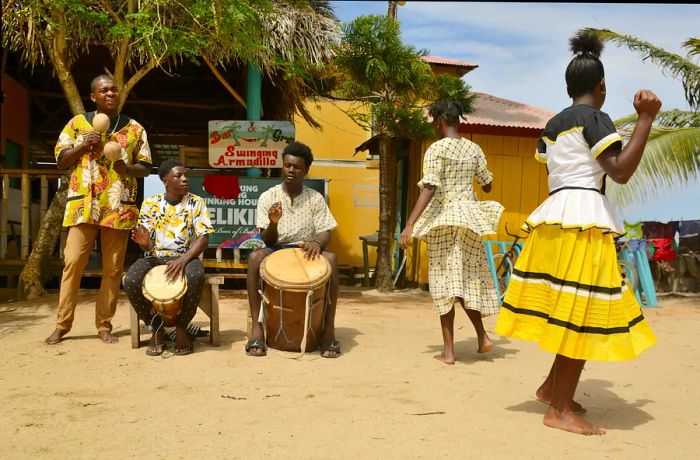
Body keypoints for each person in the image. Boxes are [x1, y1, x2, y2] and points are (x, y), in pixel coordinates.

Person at [494, 32, 661, 436]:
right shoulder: (595, 119)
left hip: (556, 219)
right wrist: (645, 119)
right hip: (583, 221)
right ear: (602, 87)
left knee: (572, 309)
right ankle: (560, 410)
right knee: (581, 315)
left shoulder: (553, 125)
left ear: (568, 88)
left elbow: (553, 164)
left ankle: (552, 388)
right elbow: (619, 171)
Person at [45, 75, 151, 345]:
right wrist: (83, 144)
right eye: (104, 90)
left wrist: (126, 168)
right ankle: (62, 324)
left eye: (114, 89)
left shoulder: (135, 128)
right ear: (93, 97)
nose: (111, 93)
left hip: (117, 206)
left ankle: (104, 325)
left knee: (113, 269)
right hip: (84, 206)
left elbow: (146, 167)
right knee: (72, 263)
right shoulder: (77, 124)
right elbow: (60, 160)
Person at [399, 99, 504, 365]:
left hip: (445, 221)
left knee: (444, 283)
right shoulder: (474, 149)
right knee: (466, 280)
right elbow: (488, 184)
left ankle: (449, 352)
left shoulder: (436, 149)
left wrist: (410, 223)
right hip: (470, 220)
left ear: (438, 120)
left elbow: (430, 187)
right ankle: (483, 337)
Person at [245, 141, 341, 358]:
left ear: (305, 170)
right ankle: (257, 329)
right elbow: (267, 241)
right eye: (287, 165)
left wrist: (317, 242)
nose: (291, 170)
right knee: (254, 258)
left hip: (306, 249)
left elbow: (326, 231)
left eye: (297, 167)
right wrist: (274, 222)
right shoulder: (268, 197)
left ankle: (329, 331)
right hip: (277, 249)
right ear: (282, 166)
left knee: (332, 259)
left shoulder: (315, 198)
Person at [123, 159, 214, 356]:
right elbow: (146, 245)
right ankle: (156, 327)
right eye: (178, 176)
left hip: (186, 257)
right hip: (155, 257)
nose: (184, 179)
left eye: (185, 176)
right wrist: (144, 242)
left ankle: (181, 328)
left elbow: (203, 238)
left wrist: (183, 261)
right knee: (129, 281)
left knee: (196, 277)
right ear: (165, 180)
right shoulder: (150, 204)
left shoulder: (196, 203)